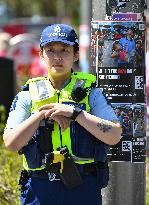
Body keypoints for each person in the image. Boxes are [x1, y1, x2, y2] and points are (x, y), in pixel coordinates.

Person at [3, 24, 122, 205]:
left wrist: (75, 113)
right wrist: (40, 115)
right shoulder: (27, 95)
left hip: (83, 187)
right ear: (41, 54)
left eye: (65, 50)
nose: (57, 57)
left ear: (75, 55)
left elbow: (114, 135)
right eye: (50, 50)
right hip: (39, 188)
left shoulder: (92, 93)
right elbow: (11, 143)